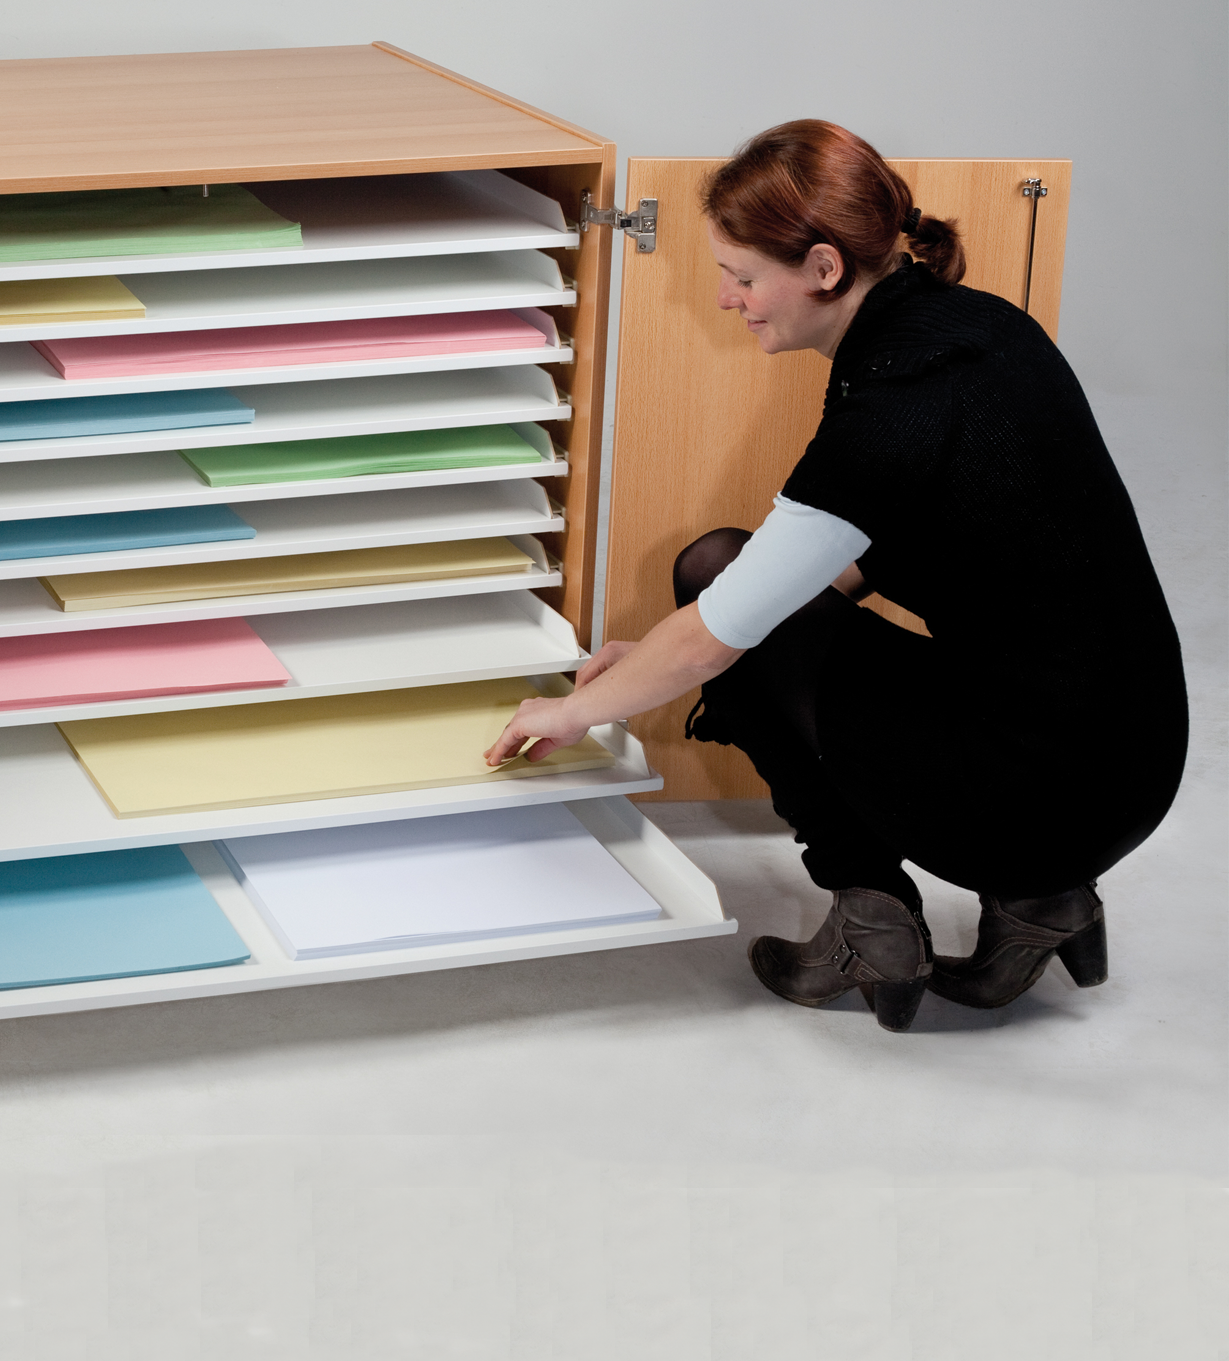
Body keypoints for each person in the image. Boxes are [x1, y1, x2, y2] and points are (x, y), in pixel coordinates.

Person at [484, 121, 1187, 1031]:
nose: (726, 298)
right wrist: (688, 648)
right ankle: (1043, 903)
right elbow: (905, 543)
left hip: (1038, 797)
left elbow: (711, 636)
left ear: (823, 268)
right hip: (1133, 759)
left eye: (742, 277)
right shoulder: (983, 328)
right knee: (738, 604)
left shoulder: (892, 402)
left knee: (712, 575)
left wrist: (576, 711)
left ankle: (872, 919)